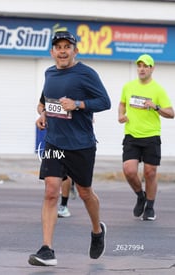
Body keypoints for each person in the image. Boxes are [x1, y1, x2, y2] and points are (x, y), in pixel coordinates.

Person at [29, 30, 111, 266]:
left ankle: (97, 230)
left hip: (81, 144)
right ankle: (47, 249)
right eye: (58, 47)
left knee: (85, 192)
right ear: (52, 51)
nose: (63, 51)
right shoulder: (49, 73)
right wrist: (43, 113)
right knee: (51, 191)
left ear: (75, 50)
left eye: (67, 46)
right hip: (54, 141)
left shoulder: (86, 73)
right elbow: (43, 101)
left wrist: (78, 104)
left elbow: (104, 102)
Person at [118, 54, 174, 221]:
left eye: (145, 66)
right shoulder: (128, 86)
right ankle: (140, 195)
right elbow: (122, 103)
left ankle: (150, 207)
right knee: (129, 171)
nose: (141, 69)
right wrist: (121, 115)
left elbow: (171, 113)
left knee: (150, 173)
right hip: (131, 135)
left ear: (152, 68)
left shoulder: (158, 90)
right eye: (139, 65)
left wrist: (155, 107)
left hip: (151, 136)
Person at [37, 93, 75, 218]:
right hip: (53, 140)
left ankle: (64, 205)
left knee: (69, 175)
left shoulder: (78, 85)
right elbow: (41, 105)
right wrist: (43, 113)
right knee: (50, 179)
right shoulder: (51, 83)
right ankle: (52, 202)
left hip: (73, 140)